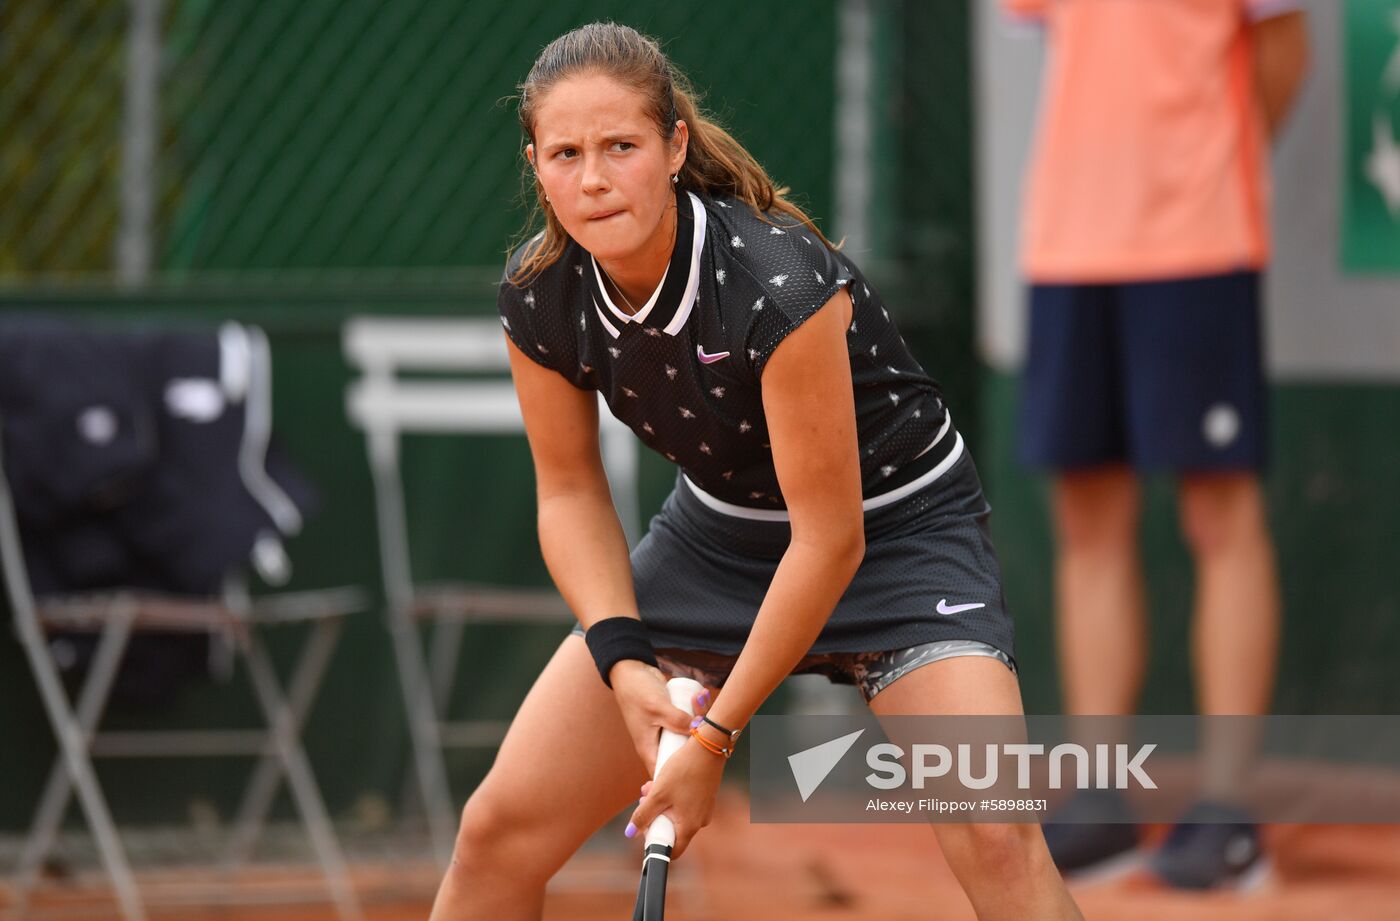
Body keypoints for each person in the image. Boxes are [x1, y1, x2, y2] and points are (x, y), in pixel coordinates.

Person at [429, 22, 1083, 921]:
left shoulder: (776, 283)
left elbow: (830, 536)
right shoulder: (541, 293)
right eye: (566, 153)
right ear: (534, 163)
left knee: (998, 839)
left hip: (900, 535)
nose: (593, 178)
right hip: (719, 541)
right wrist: (625, 666)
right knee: (496, 834)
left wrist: (712, 735)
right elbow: (570, 491)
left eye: (621, 146)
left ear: (674, 147)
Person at [1005, 0, 1309, 890]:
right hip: (1066, 243)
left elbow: (1284, 53)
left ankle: (1227, 807)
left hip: (1198, 241)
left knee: (1220, 510)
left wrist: (1207, 172)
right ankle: (1101, 800)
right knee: (1086, 517)